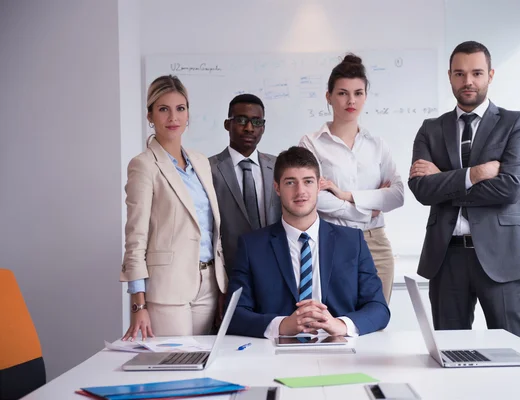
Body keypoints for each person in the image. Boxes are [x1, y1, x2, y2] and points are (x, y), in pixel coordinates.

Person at [408, 41, 520, 342]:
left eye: (477, 73)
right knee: (449, 351)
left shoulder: (515, 123)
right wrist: (476, 174)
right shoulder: (430, 128)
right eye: (459, 73)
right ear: (450, 76)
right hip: (446, 257)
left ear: (490, 75)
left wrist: (445, 179)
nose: (468, 81)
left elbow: (510, 187)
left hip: (503, 256)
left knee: (513, 351)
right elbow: (421, 189)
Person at [226, 146, 390, 338]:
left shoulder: (352, 242)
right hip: (276, 354)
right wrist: (281, 325)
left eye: (308, 181)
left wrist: (341, 325)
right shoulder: (252, 246)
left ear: (319, 186)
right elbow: (235, 315)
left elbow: (379, 308)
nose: (300, 191)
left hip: (339, 351)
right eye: (290, 183)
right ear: (277, 188)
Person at [120, 75, 227, 340]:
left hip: (208, 283)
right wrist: (138, 304)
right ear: (150, 116)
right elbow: (135, 239)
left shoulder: (201, 162)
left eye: (180, 109)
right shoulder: (143, 165)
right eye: (163, 109)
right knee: (174, 366)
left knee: (201, 366)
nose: (173, 118)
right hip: (167, 288)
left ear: (188, 114)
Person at [299, 54, 404, 304]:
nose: (351, 100)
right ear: (329, 96)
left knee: (376, 320)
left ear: (365, 96)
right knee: (336, 322)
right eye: (343, 93)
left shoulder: (377, 145)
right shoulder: (311, 143)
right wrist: (367, 210)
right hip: (333, 240)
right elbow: (314, 198)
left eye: (358, 93)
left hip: (375, 242)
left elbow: (398, 195)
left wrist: (346, 195)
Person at [209, 94, 281, 277]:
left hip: (275, 269)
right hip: (229, 272)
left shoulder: (279, 166)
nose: (249, 128)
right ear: (227, 124)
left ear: (263, 128)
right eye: (241, 120)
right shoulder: (207, 169)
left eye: (256, 122)